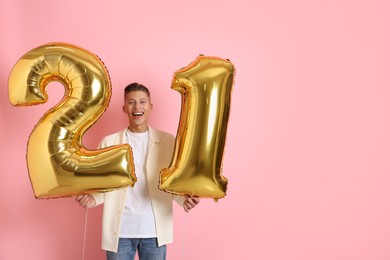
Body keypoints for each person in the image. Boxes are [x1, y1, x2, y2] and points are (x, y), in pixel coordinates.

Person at [75, 82, 200, 260]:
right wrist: (92, 199)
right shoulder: (108, 143)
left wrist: (184, 199)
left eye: (142, 102)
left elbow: (173, 181)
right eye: (131, 102)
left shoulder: (168, 142)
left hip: (154, 231)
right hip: (120, 232)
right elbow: (106, 185)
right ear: (124, 108)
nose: (137, 106)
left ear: (150, 107)